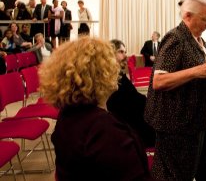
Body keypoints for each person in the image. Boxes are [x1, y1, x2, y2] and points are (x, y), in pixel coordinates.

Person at [108, 39, 206, 181]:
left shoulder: (118, 76)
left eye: (125, 52)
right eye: (121, 52)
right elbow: (132, 108)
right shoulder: (112, 81)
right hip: (140, 129)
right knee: (189, 124)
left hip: (144, 120)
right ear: (110, 54)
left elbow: (136, 102)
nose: (125, 55)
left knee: (189, 122)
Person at [144, 0, 206, 181]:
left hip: (192, 120)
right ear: (188, 16)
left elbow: (196, 77)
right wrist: (198, 70)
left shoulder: (196, 40)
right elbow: (159, 82)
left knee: (187, 171)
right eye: (205, 19)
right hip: (175, 123)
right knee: (174, 174)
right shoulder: (176, 38)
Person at [39, 36, 154, 181]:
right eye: (111, 65)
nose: (116, 70)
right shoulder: (107, 132)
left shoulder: (67, 115)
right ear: (100, 74)